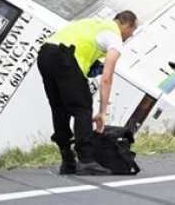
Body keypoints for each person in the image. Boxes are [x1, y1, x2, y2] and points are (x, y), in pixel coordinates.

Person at [37, 11, 138, 175]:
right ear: (126, 24)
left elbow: (81, 46)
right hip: (65, 57)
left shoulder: (92, 24)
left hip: (45, 54)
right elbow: (107, 78)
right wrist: (102, 112)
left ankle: (67, 159)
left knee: (59, 108)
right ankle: (86, 160)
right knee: (82, 108)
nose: (131, 35)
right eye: (132, 30)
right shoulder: (114, 37)